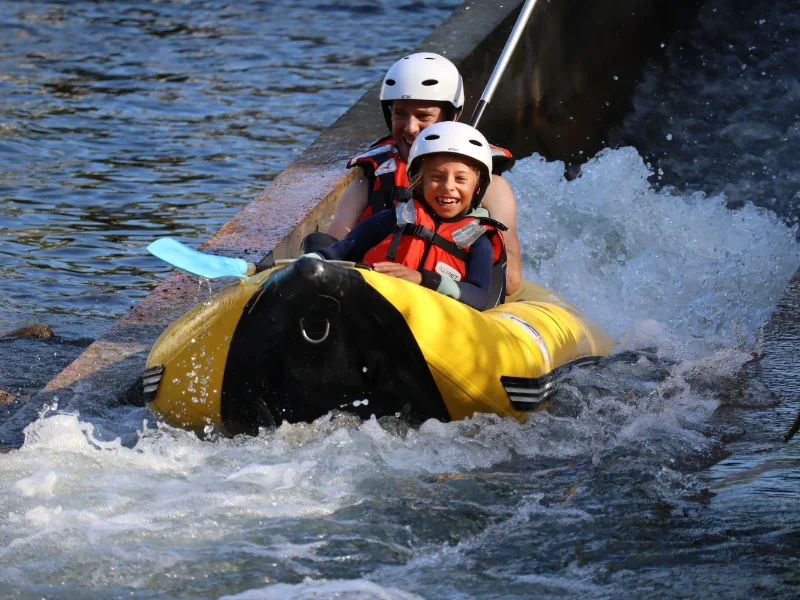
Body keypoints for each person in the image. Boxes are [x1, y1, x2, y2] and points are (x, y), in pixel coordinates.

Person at [324, 52, 522, 295]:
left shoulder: (490, 187)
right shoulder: (369, 181)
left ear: (452, 116)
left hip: (446, 298)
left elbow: (509, 281)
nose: (410, 128)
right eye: (400, 114)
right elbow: (335, 251)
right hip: (374, 290)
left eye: (423, 116)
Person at [306, 121, 506, 311]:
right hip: (375, 309)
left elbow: (479, 297)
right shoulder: (391, 219)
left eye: (460, 179)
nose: (448, 187)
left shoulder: (477, 241)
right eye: (436, 177)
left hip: (432, 323)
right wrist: (310, 262)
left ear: (478, 187)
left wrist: (422, 279)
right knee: (315, 243)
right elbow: (339, 251)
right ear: (419, 181)